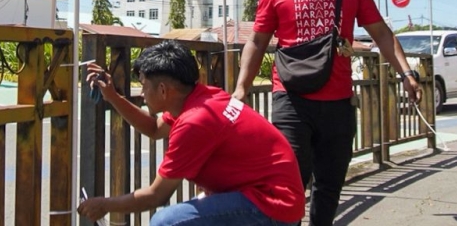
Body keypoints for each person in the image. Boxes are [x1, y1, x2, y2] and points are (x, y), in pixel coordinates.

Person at [233, 0, 422, 226]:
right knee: (291, 182)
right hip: (290, 99)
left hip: (337, 101)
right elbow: (256, 40)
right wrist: (242, 87)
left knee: (330, 185)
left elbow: (382, 34)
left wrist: (407, 74)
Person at [77, 40, 305, 226]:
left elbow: (156, 196)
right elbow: (155, 129)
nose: (142, 93)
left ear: (164, 90)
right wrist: (114, 97)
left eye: (144, 85)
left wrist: (104, 205)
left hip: (272, 207)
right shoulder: (204, 97)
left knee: (165, 222)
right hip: (271, 195)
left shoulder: (194, 122)